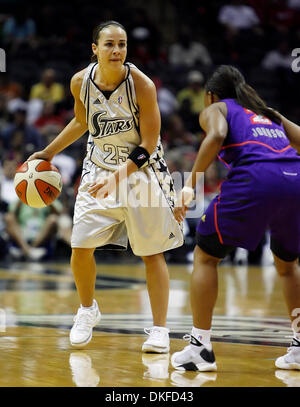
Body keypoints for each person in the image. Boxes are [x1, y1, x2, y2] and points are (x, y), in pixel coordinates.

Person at [28, 21, 183, 351]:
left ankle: (159, 330)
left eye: (122, 45)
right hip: (97, 167)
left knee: (151, 254)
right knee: (80, 247)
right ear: (95, 49)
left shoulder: (141, 84)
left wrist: (119, 177)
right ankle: (87, 310)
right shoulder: (79, 82)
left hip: (141, 171)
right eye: (110, 44)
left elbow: (150, 142)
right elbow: (82, 121)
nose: (117, 50)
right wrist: (48, 152)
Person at [171, 65, 300, 371]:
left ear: (210, 94)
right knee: (287, 264)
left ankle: (199, 348)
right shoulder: (267, 112)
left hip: (255, 178)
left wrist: (189, 186)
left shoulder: (218, 107)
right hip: (295, 178)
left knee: (205, 256)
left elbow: (215, 135)